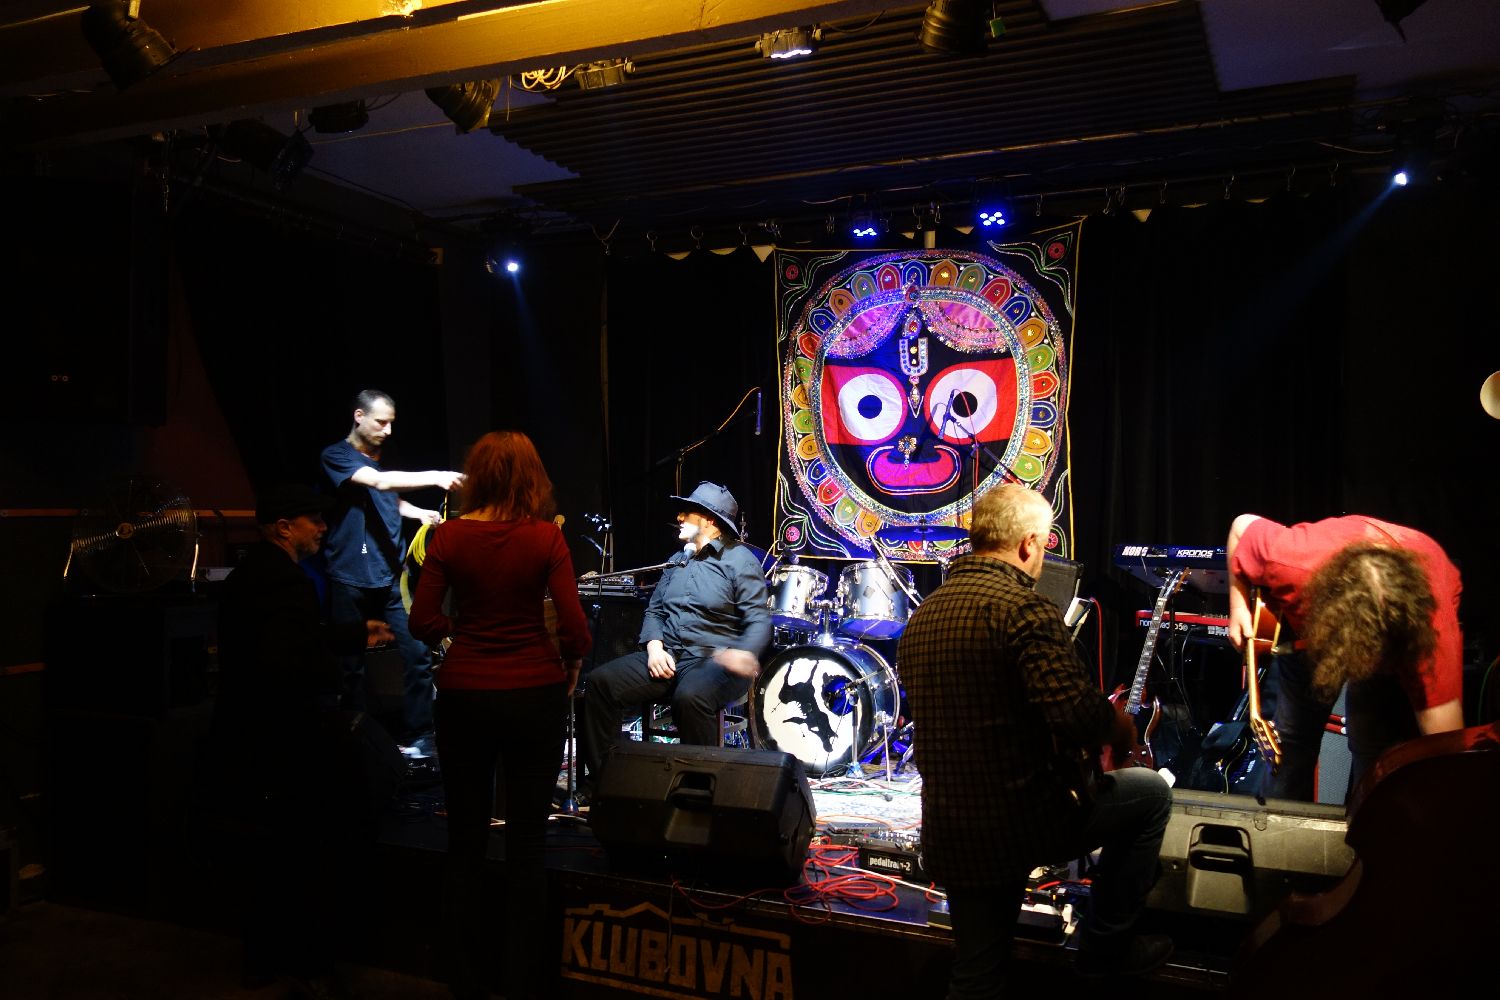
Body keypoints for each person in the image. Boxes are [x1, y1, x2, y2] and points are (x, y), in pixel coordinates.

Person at [898, 485, 1174, 995]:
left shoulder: (923, 616)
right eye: (1044, 544)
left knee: (976, 973)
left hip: (950, 826)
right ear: (1028, 543)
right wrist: (1120, 727)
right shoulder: (1024, 609)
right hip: (1023, 821)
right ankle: (1105, 950)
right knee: (1151, 794)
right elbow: (1077, 717)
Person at [408, 431, 591, 1000]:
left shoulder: (447, 536)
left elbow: (420, 621)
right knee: (527, 843)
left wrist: (462, 634)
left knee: (464, 840)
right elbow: (575, 627)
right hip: (534, 693)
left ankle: (462, 977)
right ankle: (521, 979)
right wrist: (568, 662)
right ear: (532, 478)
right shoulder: (546, 537)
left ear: (478, 476)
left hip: (464, 695)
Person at [211, 483, 400, 997]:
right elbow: (287, 658)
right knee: (306, 850)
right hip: (285, 735)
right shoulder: (286, 580)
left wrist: (353, 633)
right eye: (312, 520)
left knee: (269, 852)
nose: (322, 527)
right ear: (283, 527)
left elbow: (294, 638)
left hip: (249, 735)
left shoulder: (251, 574)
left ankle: (262, 960)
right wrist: (330, 686)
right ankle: (309, 962)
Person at [1226, 513, 1464, 802]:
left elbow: (1446, 750)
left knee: (1373, 742)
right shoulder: (1291, 560)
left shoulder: (1430, 635)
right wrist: (1238, 606)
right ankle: (1278, 822)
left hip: (1398, 640)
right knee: (1291, 743)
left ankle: (1366, 823)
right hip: (1308, 628)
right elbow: (1240, 527)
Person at [580, 482, 770, 795]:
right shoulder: (676, 560)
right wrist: (655, 648)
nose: (679, 517)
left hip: (716, 661)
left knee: (690, 697)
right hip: (669, 656)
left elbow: (759, 619)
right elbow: (655, 610)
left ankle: (699, 789)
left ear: (709, 520)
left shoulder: (740, 560)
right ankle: (605, 785)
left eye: (687, 512)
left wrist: (745, 652)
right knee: (601, 683)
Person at [319, 388, 465, 758]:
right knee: (350, 664)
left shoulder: (387, 456)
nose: (387, 430)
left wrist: (418, 513)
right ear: (359, 417)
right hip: (348, 573)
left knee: (417, 653)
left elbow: (389, 496)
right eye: (381, 422)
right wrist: (437, 475)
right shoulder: (336, 455)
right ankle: (356, 740)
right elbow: (378, 482)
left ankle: (420, 734)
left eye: (391, 423)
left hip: (390, 574)